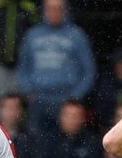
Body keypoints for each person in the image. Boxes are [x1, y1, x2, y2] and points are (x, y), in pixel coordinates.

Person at [16, 0, 96, 133]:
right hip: (38, 99)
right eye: (50, 8)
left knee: (66, 143)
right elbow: (22, 67)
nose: (54, 13)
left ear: (65, 10)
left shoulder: (77, 35)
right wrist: (28, 92)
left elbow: (89, 70)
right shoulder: (32, 34)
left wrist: (75, 97)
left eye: (58, 8)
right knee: (36, 141)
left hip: (66, 99)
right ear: (43, 10)